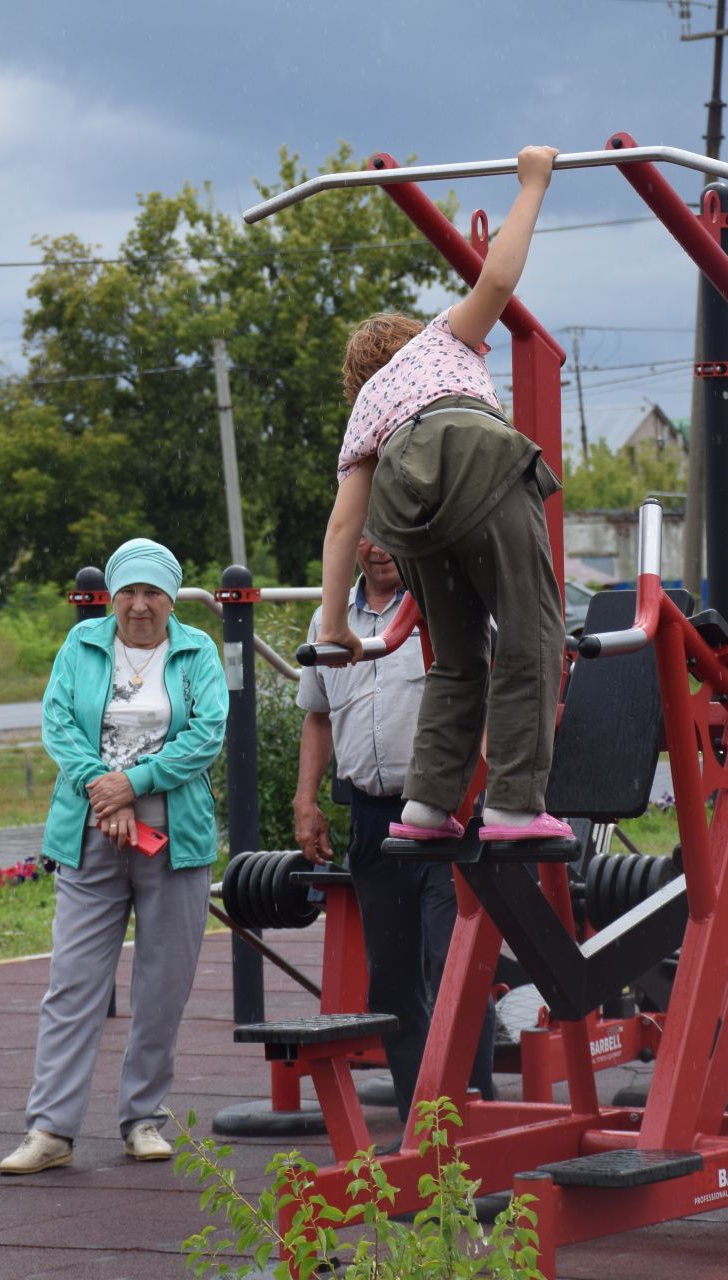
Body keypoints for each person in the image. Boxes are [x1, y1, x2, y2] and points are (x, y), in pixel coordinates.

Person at [316, 144, 568, 848]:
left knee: (458, 655)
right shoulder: (440, 341)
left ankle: (426, 806)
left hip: (407, 503)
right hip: (472, 458)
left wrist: (335, 623)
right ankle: (515, 805)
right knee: (532, 632)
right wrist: (532, 184)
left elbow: (344, 527)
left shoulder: (367, 410)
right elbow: (499, 280)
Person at [0, 537, 228, 1175]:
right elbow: (58, 725)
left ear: (171, 598)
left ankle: (143, 1119)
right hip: (91, 831)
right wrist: (108, 793)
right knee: (73, 983)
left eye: (152, 592)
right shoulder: (82, 645)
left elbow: (207, 732)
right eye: (128, 592)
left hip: (173, 840)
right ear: (111, 597)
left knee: (162, 986)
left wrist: (136, 785)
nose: (139, 606)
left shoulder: (197, 652)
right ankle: (50, 1130)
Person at [295, 536, 496, 1125]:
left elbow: (491, 698)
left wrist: (483, 789)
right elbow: (318, 713)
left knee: (453, 969)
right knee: (394, 979)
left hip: (446, 813)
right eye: (367, 532)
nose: (378, 548)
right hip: (372, 817)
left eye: (391, 534)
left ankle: (471, 1120)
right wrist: (306, 799)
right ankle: (422, 1128)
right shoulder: (330, 617)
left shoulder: (449, 604)